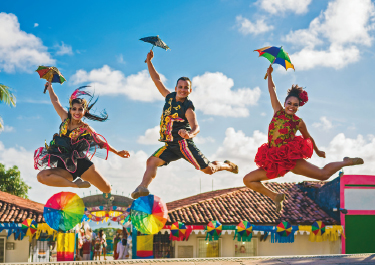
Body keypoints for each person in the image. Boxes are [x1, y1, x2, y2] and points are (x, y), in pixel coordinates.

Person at [243, 65, 364, 212]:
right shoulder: (278, 111)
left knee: (323, 175)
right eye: (289, 104)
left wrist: (318, 151)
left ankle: (345, 161)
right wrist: (269, 74)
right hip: (273, 160)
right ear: (285, 103)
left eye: (295, 105)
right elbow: (272, 90)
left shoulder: (298, 122)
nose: (292, 107)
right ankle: (275, 197)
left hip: (290, 158)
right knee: (248, 180)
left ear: (298, 107)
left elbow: (308, 137)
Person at [131, 50, 239, 199]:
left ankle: (227, 165)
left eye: (185, 88)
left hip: (184, 144)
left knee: (209, 169)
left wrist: (189, 134)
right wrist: (149, 61)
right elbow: (156, 79)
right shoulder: (168, 98)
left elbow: (196, 127)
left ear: (190, 90)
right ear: (176, 88)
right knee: (151, 161)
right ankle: (142, 187)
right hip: (170, 145)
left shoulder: (187, 107)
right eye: (180, 87)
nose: (182, 90)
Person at [34, 82, 130, 193]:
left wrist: (117, 152)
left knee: (107, 189)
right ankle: (75, 184)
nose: (77, 112)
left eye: (80, 109)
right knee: (41, 177)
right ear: (70, 110)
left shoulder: (85, 127)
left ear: (85, 111)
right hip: (64, 166)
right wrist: (50, 88)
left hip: (81, 164)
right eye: (74, 109)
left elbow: (100, 142)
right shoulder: (65, 118)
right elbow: (55, 101)